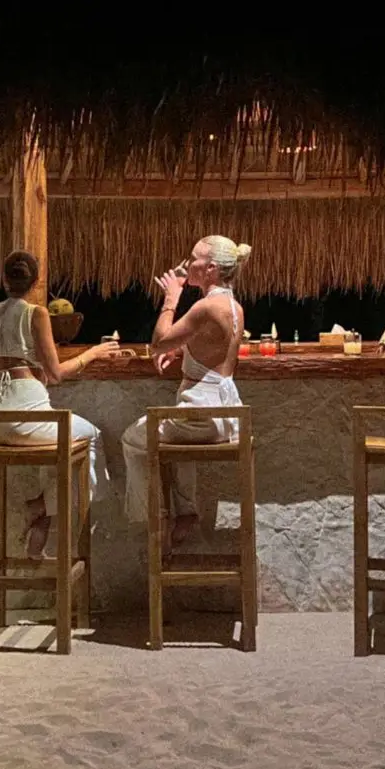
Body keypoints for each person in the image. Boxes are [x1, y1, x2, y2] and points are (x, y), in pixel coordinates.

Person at [0, 251, 120, 557]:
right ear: (36, 281)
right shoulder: (37, 313)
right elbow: (55, 374)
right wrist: (93, 354)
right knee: (91, 436)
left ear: (3, 279)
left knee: (59, 448)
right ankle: (42, 506)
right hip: (27, 412)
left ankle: (44, 515)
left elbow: (8, 362)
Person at [121, 234, 250, 548]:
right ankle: (187, 511)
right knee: (175, 435)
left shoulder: (205, 307)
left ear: (211, 269)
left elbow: (158, 342)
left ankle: (154, 519)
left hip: (201, 416)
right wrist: (181, 353)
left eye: (194, 258)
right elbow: (211, 348)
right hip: (222, 416)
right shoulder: (234, 307)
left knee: (133, 438)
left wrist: (171, 298)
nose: (187, 263)